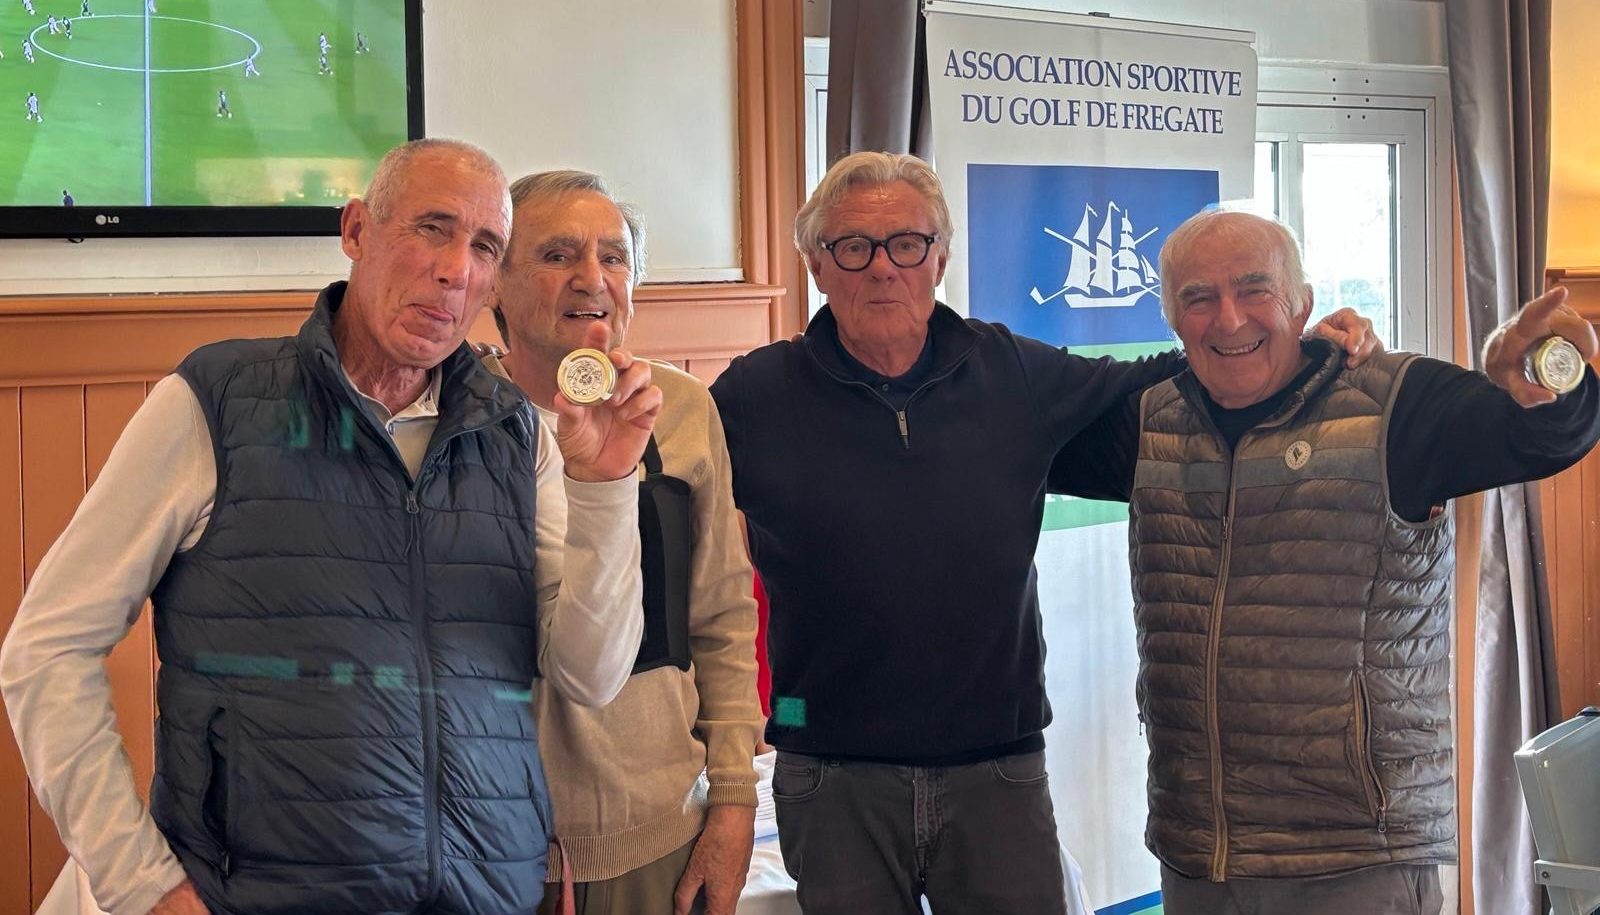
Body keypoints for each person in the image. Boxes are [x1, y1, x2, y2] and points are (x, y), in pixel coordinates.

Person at [0, 138, 663, 915]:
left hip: (485, 894)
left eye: (485, 247)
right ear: (356, 231)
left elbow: (590, 675)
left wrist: (605, 487)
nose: (456, 268)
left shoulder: (518, 433)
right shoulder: (218, 400)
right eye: (432, 228)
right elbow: (47, 648)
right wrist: (142, 883)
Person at [706, 152, 1377, 914]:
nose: (883, 267)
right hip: (830, 773)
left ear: (940, 258)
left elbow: (1157, 383)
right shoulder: (754, 397)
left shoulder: (1008, 372)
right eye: (854, 246)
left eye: (908, 243)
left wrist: (1295, 346)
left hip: (997, 772)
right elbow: (681, 544)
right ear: (817, 265)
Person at [1049, 209, 1600, 915]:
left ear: (1302, 303)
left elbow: (1545, 435)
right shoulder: (1149, 422)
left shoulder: (1393, 404)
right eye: (1199, 297)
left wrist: (1536, 370)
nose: (1228, 318)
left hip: (1355, 856)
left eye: (1254, 289)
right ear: (1173, 320)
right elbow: (1013, 440)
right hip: (1201, 854)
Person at [491, 171, 761, 915]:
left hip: (658, 837)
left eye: (613, 256)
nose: (593, 278)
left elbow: (722, 617)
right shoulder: (453, 419)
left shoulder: (680, 410)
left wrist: (733, 798)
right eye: (557, 255)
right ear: (495, 283)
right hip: (485, 845)